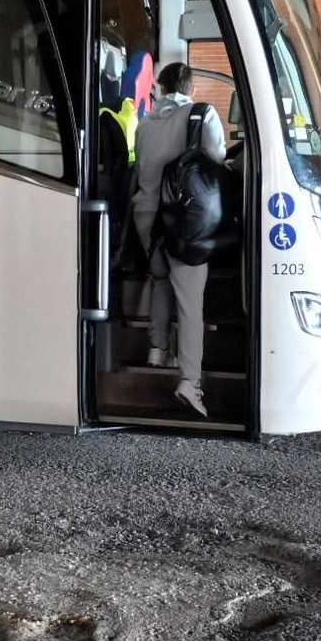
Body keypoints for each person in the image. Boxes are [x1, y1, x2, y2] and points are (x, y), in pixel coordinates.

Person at [131, 61, 226, 418]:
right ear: (192, 90)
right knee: (190, 301)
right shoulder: (201, 115)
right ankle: (190, 381)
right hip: (183, 219)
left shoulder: (145, 123)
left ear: (159, 87)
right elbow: (215, 158)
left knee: (160, 279)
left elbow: (140, 166)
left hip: (146, 215)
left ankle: (156, 351)